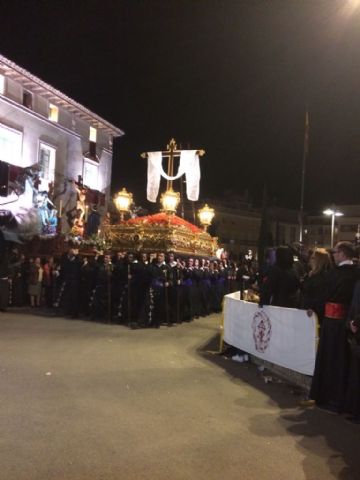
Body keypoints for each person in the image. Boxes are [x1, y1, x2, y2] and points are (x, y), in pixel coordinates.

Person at [309, 241, 359, 414]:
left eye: (336, 252)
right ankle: (339, 399)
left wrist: (313, 306)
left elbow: (324, 295)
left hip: (333, 324)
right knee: (342, 361)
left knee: (331, 360)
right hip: (346, 323)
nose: (334, 255)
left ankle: (329, 397)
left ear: (343, 254)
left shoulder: (335, 274)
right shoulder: (356, 273)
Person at [301, 248, 332, 323]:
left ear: (319, 261)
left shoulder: (322, 277)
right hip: (308, 310)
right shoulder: (312, 274)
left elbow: (320, 296)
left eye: (313, 258)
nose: (310, 260)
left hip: (314, 313)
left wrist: (313, 308)